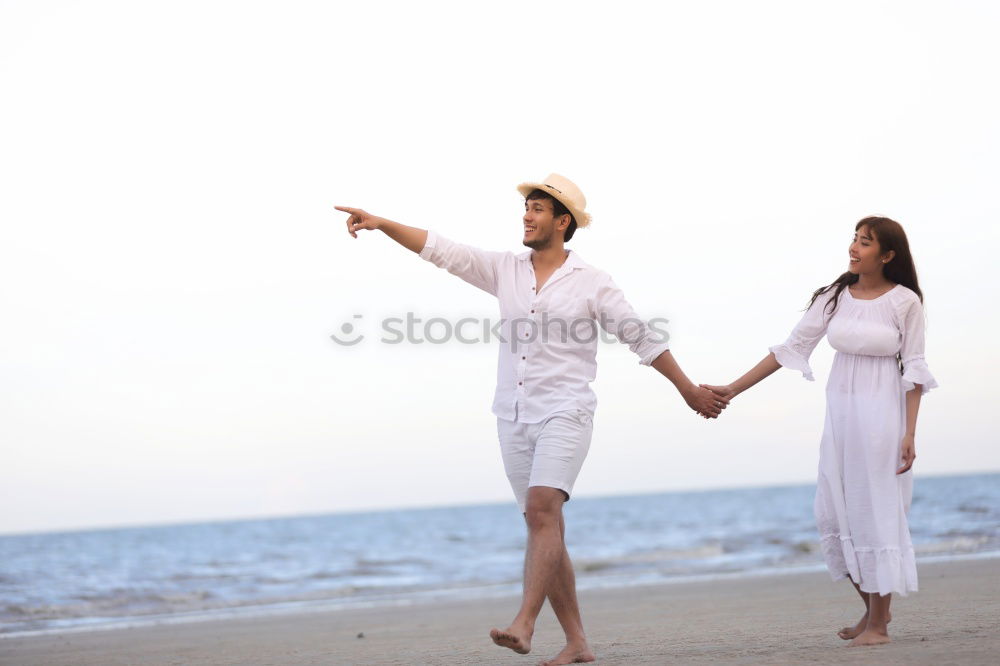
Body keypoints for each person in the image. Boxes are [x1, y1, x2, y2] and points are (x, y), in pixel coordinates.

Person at [336, 173, 728, 665]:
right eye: (528, 208)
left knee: (544, 510)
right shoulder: (506, 269)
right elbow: (441, 249)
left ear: (563, 222)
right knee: (544, 526)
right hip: (512, 414)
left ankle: (525, 622)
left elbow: (642, 338)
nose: (527, 215)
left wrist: (688, 390)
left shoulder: (593, 282)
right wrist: (380, 223)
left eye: (539, 209)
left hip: (565, 410)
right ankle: (578, 643)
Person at [702, 216, 936, 647]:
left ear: (887, 256)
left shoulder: (905, 303)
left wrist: (910, 434)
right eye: (854, 238)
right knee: (835, 512)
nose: (853, 247)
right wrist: (733, 388)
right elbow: (791, 349)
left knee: (876, 512)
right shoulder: (834, 297)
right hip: (842, 418)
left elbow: (915, 372)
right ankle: (872, 612)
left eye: (865, 243)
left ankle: (879, 625)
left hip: (884, 417)